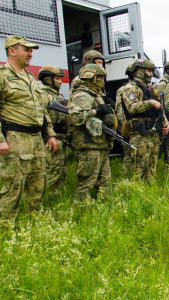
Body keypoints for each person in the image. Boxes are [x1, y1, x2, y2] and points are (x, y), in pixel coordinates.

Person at [0, 35, 58, 225]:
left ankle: (31, 227)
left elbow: (41, 108)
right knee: (13, 187)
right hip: (15, 139)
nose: (30, 54)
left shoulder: (31, 78)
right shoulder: (2, 75)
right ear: (12, 51)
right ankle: (6, 231)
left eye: (31, 50)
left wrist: (50, 134)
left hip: (36, 140)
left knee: (37, 186)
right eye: (26, 49)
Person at [68, 64, 115, 206]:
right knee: (87, 181)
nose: (102, 80)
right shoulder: (83, 95)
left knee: (105, 181)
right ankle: (83, 212)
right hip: (90, 144)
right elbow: (76, 118)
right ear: (91, 78)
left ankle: (105, 209)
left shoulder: (97, 95)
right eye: (99, 77)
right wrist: (96, 110)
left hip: (101, 144)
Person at [121, 59, 169, 181]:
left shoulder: (150, 89)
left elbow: (159, 109)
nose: (151, 74)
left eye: (152, 71)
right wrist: (150, 103)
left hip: (152, 134)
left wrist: (165, 123)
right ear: (139, 71)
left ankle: (148, 193)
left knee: (151, 167)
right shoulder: (130, 88)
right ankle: (134, 194)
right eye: (148, 70)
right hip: (140, 134)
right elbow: (131, 107)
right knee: (138, 167)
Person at [38, 65, 69, 199]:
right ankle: (50, 201)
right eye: (57, 78)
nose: (60, 82)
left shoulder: (58, 95)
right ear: (47, 79)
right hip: (51, 138)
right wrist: (50, 135)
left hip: (62, 137)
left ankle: (58, 199)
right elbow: (42, 116)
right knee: (52, 171)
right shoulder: (42, 93)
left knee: (62, 171)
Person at [157, 61, 169, 167]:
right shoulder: (163, 83)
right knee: (168, 146)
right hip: (167, 118)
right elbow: (161, 103)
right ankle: (168, 166)